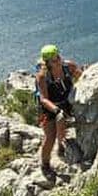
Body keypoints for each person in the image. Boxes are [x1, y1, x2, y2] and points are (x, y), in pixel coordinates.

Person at [36, 44, 82, 176]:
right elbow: (43, 99)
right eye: (54, 60)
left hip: (67, 102)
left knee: (64, 125)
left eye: (58, 57)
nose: (58, 60)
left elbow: (82, 77)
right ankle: (45, 165)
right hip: (49, 107)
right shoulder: (42, 76)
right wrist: (56, 110)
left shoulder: (69, 67)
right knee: (50, 137)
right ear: (47, 62)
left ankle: (62, 146)